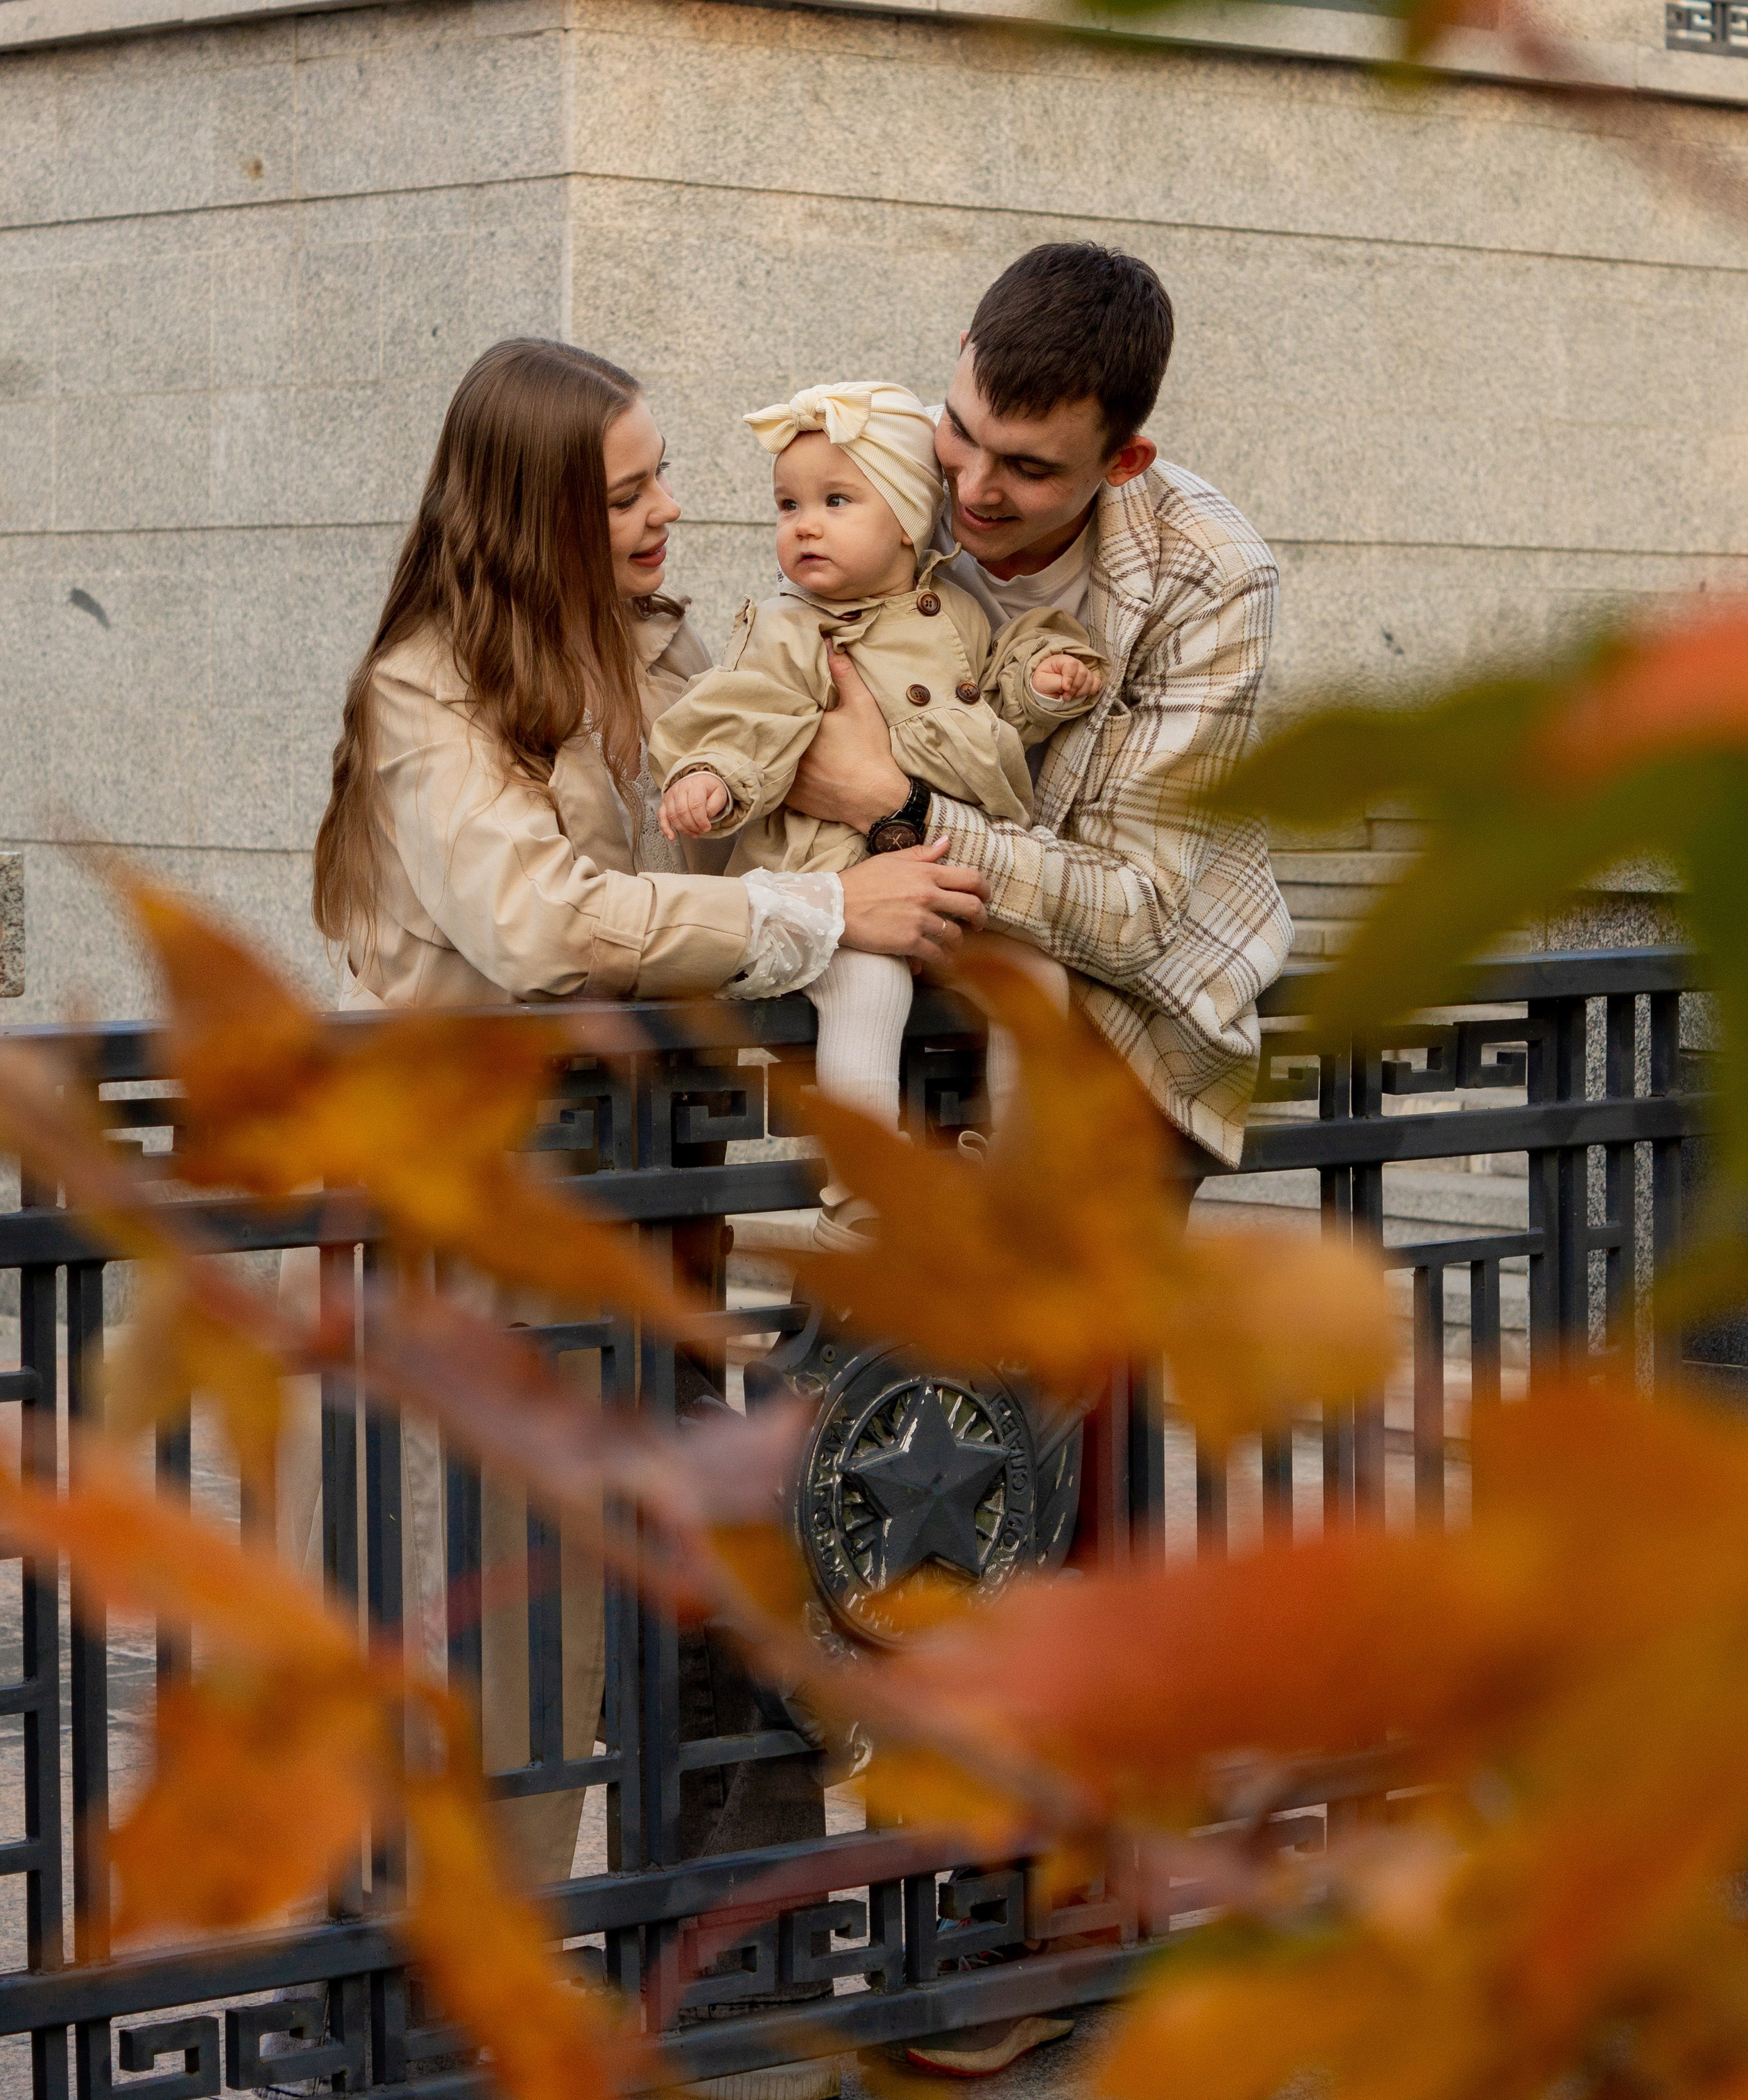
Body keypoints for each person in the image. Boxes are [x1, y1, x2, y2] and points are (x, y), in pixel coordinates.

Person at [297, 338, 986, 2013]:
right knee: (498, 1658)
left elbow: (770, 808)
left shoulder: (668, 653)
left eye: (667, 476)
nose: (672, 512)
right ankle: (437, 2017)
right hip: (480, 1225)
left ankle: (721, 1994)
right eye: (627, 493)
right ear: (537, 511)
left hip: (656, 1203)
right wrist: (822, 917)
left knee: (726, 1612)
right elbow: (535, 926)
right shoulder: (426, 688)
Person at [779, 246, 1293, 2079]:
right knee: (877, 1452)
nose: (981, 493)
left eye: (1032, 471)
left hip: (1131, 1040)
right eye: (967, 437)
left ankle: (1050, 1927)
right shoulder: (908, 478)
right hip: (944, 1021)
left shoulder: (1206, 577)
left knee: (1025, 1468)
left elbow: (1138, 899)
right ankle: (888, 1892)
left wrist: (903, 811)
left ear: (1124, 463)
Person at [648, 380, 1100, 1207]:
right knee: (868, 988)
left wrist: (1045, 679)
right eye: (786, 505)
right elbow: (741, 711)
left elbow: (995, 692)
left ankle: (1018, 1164)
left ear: (904, 517)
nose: (803, 523)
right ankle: (866, 1186)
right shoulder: (789, 628)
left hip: (944, 878)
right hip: (831, 883)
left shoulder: (956, 611)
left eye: (834, 500)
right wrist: (713, 775)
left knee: (1032, 978)